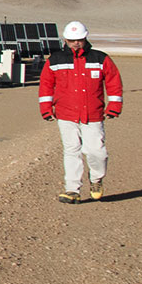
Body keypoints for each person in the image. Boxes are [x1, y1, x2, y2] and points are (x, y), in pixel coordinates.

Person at [38, 20, 122, 203]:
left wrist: (114, 106)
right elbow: (46, 85)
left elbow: (113, 82)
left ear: (85, 38)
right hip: (66, 114)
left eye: (79, 39)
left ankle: (96, 179)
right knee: (71, 151)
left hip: (93, 114)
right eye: (71, 40)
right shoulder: (55, 60)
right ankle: (72, 189)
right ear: (65, 40)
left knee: (96, 152)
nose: (76, 43)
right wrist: (46, 108)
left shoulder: (101, 59)